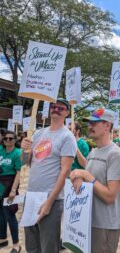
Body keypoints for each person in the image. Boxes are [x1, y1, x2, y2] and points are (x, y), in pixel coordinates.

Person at [21, 98, 77, 253]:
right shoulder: (39, 133)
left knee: (48, 247)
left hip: (51, 199)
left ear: (66, 112)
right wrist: (24, 148)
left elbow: (64, 171)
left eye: (60, 108)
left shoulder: (67, 137)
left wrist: (49, 203)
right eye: (53, 106)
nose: (56, 109)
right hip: (31, 197)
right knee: (32, 246)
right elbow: (26, 162)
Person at [70, 107, 120, 253]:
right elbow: (90, 183)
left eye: (94, 123)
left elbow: (109, 196)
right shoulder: (93, 152)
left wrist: (87, 176)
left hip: (105, 226)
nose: (90, 126)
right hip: (87, 221)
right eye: (89, 123)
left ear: (108, 125)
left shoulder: (115, 155)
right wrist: (79, 179)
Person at [0, 130, 22, 253]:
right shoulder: (0, 150)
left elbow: (19, 172)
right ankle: (2, 238)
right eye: (5, 138)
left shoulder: (17, 153)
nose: (7, 140)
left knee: (10, 215)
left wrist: (13, 190)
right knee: (0, 215)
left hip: (9, 185)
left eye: (10, 138)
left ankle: (16, 245)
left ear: (15, 140)